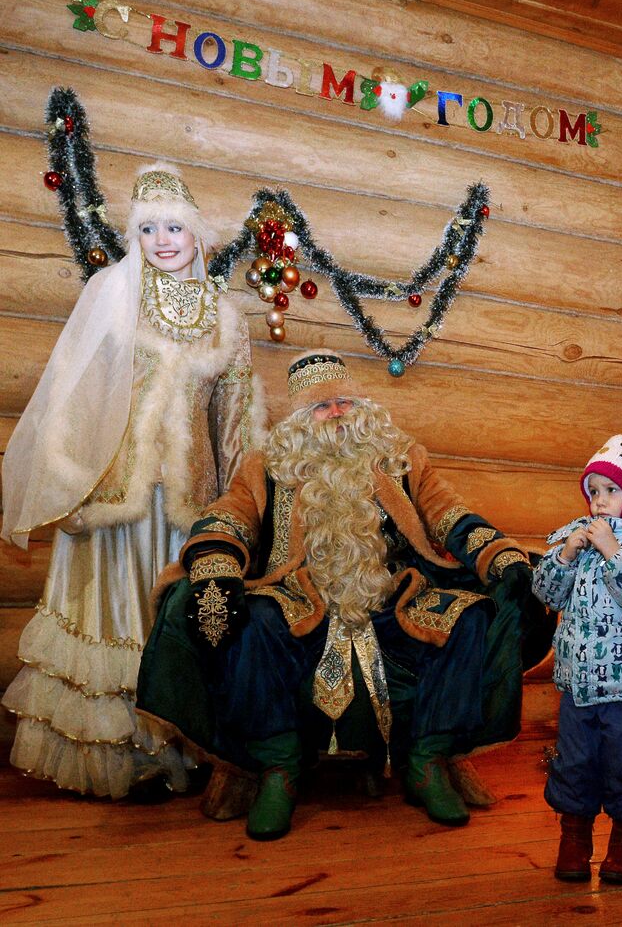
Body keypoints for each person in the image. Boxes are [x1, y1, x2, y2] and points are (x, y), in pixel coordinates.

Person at [135, 350, 542, 840]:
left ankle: (427, 761)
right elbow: (232, 515)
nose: (338, 415)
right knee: (255, 620)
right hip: (299, 599)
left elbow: (449, 513)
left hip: (391, 596)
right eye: (322, 409)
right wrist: (218, 563)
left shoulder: (400, 457)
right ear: (301, 419)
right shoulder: (268, 465)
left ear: (362, 406)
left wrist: (500, 555)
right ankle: (279, 769)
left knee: (471, 618)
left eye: (345, 403)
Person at [1, 163, 261, 798]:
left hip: (186, 504)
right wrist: (69, 475)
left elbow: (236, 420)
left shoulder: (227, 318)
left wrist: (240, 505)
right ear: (135, 237)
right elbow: (74, 393)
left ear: (198, 236)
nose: (164, 240)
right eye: (149, 229)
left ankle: (181, 748)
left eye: (175, 227)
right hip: (115, 494)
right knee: (115, 618)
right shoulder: (112, 293)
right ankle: (122, 758)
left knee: (171, 620)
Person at [532, 433, 622, 885]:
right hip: (577, 684)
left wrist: (612, 549)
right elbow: (546, 593)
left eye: (612, 490)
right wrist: (567, 553)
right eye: (594, 492)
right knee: (574, 761)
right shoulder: (576, 538)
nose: (600, 502)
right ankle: (574, 835)